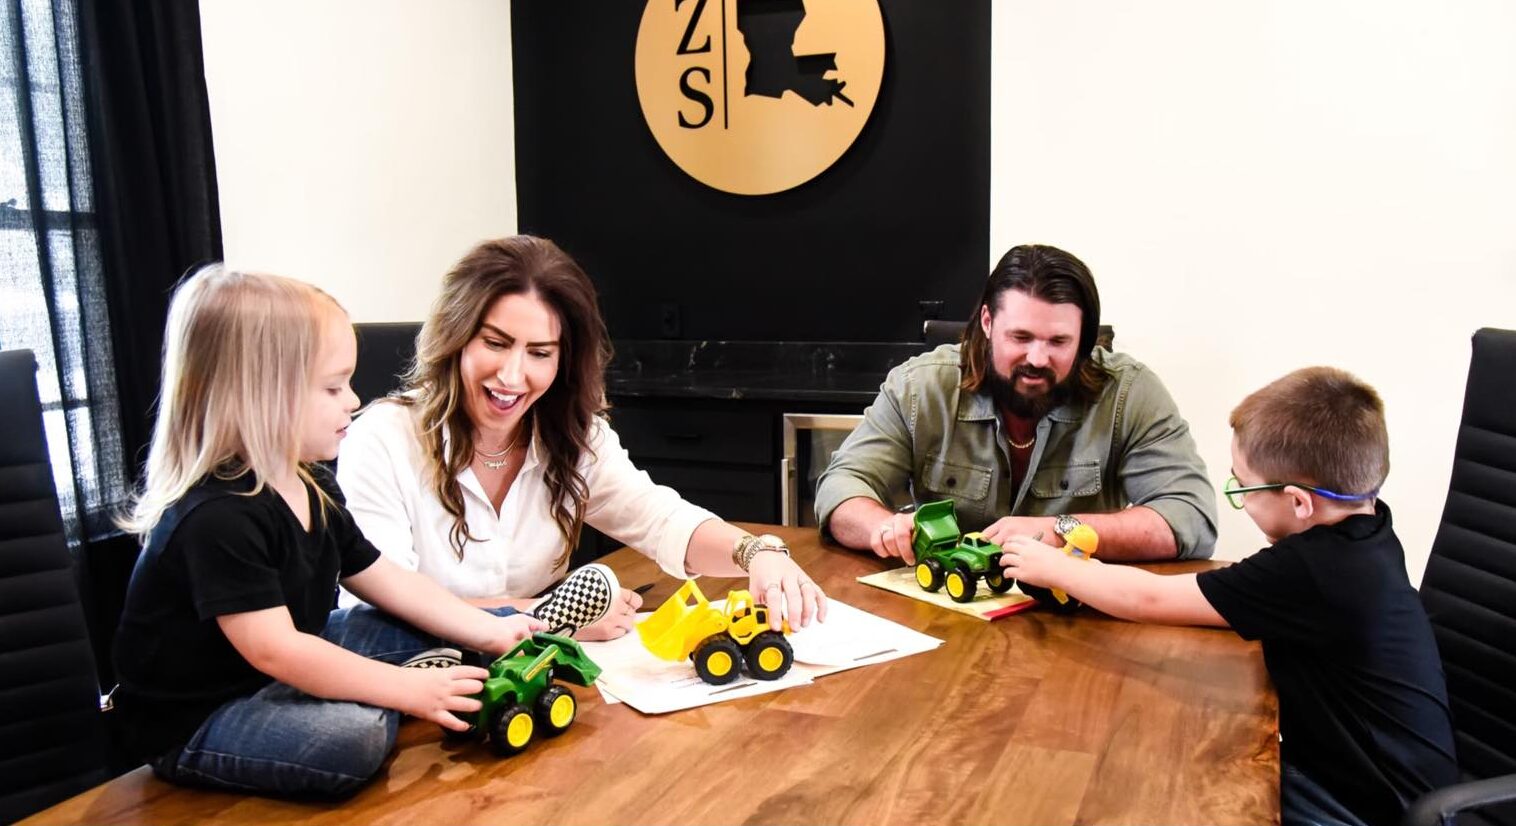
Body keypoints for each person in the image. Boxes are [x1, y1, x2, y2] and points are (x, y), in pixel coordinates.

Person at [111, 266, 547, 798]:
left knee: (419, 627)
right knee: (355, 739)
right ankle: (373, 690)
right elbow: (277, 652)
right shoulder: (217, 518)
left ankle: (388, 678)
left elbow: (386, 579)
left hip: (290, 659)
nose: (354, 401)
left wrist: (484, 630)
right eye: (333, 387)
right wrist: (407, 689)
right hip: (205, 716)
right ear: (260, 394)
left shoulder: (311, 483)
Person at [999, 366, 1458, 825]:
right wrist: (1093, 573)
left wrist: (1053, 566)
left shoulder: (1313, 570)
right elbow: (1210, 601)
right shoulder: (1368, 530)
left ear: (1299, 502)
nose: (1240, 496)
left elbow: (1151, 599)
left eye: (1244, 487)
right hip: (1382, 781)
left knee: (1177, 785)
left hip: (1366, 808)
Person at [336, 236, 827, 639]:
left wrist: (756, 554)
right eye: (495, 343)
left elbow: (660, 519)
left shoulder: (573, 436)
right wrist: (555, 616)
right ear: (455, 337)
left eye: (540, 353)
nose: (512, 375)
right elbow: (376, 607)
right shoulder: (382, 440)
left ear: (564, 361)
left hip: (533, 672)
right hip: (415, 683)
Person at [816, 244, 1216, 562]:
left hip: (1076, 612)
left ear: (1084, 338)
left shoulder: (1130, 393)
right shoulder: (920, 387)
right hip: (946, 609)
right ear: (987, 323)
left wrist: (1060, 532)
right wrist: (883, 528)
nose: (1038, 359)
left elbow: (1191, 517)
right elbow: (841, 486)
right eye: (1021, 338)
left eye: (1058, 341)